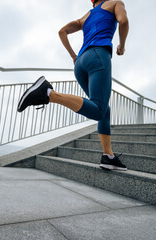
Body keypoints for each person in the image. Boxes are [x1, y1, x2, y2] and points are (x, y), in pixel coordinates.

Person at [17, 0, 129, 171]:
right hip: (98, 55)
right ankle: (48, 93)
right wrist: (122, 45)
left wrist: (73, 55)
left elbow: (62, 31)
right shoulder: (115, 3)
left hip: (80, 64)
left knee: (104, 110)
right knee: (99, 109)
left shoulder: (86, 17)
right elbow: (123, 21)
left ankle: (108, 156)